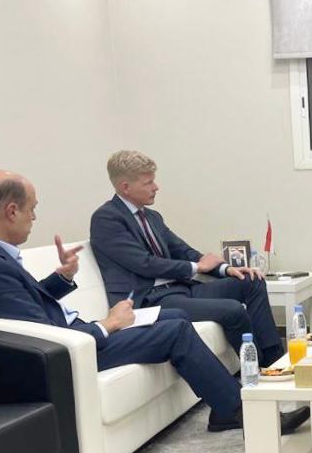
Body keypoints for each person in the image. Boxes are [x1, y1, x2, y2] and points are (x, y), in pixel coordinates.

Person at [0, 170, 309, 433]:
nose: (34, 218)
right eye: (32, 210)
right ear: (11, 211)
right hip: (74, 347)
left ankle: (235, 401)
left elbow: (20, 305)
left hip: (74, 333)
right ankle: (238, 412)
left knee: (176, 320)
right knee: (176, 330)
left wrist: (62, 278)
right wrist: (108, 324)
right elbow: (40, 333)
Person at [89, 150, 284, 367]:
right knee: (233, 310)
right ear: (125, 187)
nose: (156, 187)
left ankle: (277, 362)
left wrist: (225, 269)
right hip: (151, 300)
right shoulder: (106, 219)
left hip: (181, 289)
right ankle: (260, 372)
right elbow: (144, 264)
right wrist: (196, 267)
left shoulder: (152, 217)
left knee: (251, 282)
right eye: (148, 182)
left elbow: (182, 250)